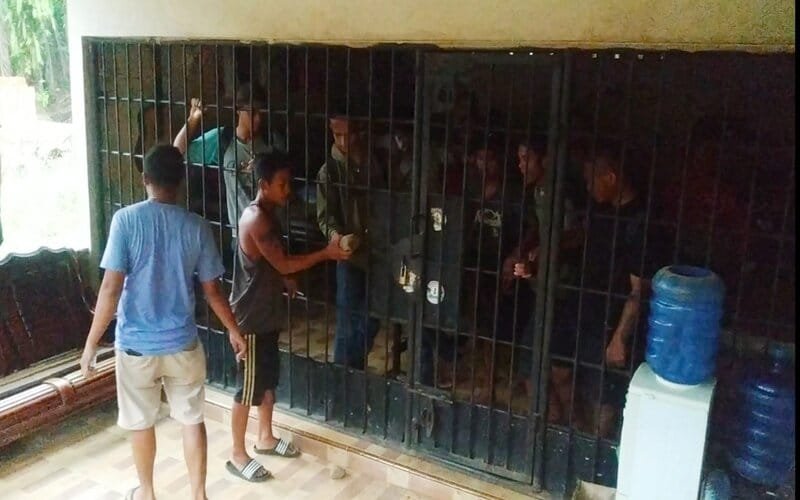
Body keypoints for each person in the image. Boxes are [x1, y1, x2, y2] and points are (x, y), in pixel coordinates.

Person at [79, 145, 248, 500]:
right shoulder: (196, 226)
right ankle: (198, 494)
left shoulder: (125, 221)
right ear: (181, 181)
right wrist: (234, 330)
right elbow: (213, 291)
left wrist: (91, 344)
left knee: (140, 422)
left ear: (145, 179)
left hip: (136, 346)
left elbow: (110, 289)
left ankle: (147, 493)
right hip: (183, 344)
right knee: (191, 419)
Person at [226, 152, 351, 481]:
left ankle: (265, 438)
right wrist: (327, 253)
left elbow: (273, 262)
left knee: (267, 381)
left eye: (289, 183)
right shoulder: (255, 219)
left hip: (267, 313)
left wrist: (285, 279)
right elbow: (282, 261)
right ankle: (237, 454)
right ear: (263, 185)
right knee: (247, 388)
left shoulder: (270, 214)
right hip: (251, 318)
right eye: (281, 184)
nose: (288, 190)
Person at [556, 138, 670, 437]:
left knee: (604, 394)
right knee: (561, 370)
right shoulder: (601, 210)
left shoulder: (642, 222)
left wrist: (620, 336)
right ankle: (577, 435)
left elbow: (639, 290)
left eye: (591, 179)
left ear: (610, 177)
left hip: (612, 315)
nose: (587, 187)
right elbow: (582, 238)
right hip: (585, 307)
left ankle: (594, 449)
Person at [316, 114, 385, 370]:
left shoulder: (374, 162)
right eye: (338, 135)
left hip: (379, 251)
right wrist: (338, 238)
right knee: (347, 320)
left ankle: (349, 369)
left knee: (375, 315)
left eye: (349, 134)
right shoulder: (329, 172)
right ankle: (345, 373)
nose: (344, 141)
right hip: (350, 256)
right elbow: (325, 218)